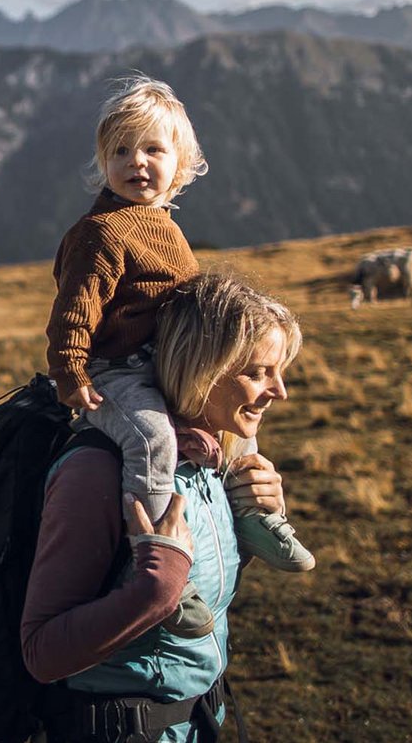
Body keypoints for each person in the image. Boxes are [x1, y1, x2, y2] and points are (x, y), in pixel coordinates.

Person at [46, 74, 312, 638]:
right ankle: (161, 558)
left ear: (182, 164)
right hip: (113, 374)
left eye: (152, 149)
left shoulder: (165, 226)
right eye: (119, 150)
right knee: (153, 440)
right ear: (102, 162)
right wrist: (70, 372)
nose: (135, 161)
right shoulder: (102, 234)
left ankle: (258, 515)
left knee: (238, 426)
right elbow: (75, 311)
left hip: (159, 364)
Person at [22, 272, 303, 742]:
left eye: (279, 372)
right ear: (199, 367)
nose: (278, 391)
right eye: (256, 372)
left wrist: (249, 519)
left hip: (195, 722)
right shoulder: (95, 471)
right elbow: (42, 653)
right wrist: (156, 590)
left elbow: (199, 591)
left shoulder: (205, 460)